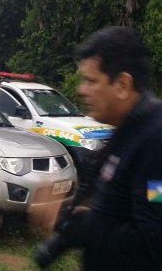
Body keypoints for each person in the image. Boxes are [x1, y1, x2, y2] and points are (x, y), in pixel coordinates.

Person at [36, 26, 162, 270]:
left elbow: (153, 242)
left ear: (123, 85)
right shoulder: (125, 129)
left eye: (91, 81)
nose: (81, 90)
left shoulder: (156, 141)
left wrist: (84, 226)